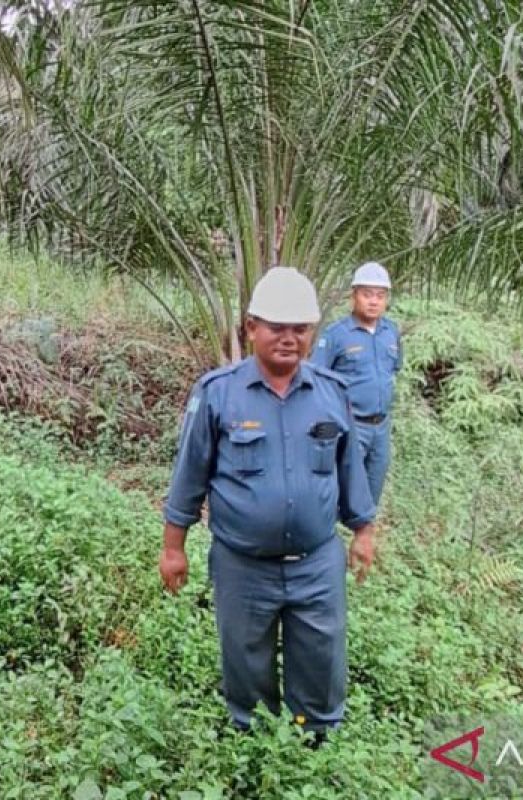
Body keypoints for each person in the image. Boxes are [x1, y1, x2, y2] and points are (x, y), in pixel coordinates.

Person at [158, 266, 377, 741]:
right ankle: (253, 742)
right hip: (243, 565)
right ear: (252, 327)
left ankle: (314, 740)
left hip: (316, 563)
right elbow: (189, 474)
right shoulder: (218, 394)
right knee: (245, 657)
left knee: (321, 656)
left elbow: (349, 471)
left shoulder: (331, 394)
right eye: (277, 327)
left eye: (300, 328)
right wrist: (173, 547)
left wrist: (363, 531)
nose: (289, 338)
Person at [310, 262, 402, 508]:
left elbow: (393, 370)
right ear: (354, 296)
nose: (373, 301)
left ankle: (363, 537)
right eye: (367, 294)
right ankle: (330, 537)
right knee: (340, 488)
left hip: (380, 427)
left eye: (380, 296)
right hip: (350, 426)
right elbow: (317, 380)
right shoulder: (335, 335)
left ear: (386, 300)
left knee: (373, 489)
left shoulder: (391, 332)